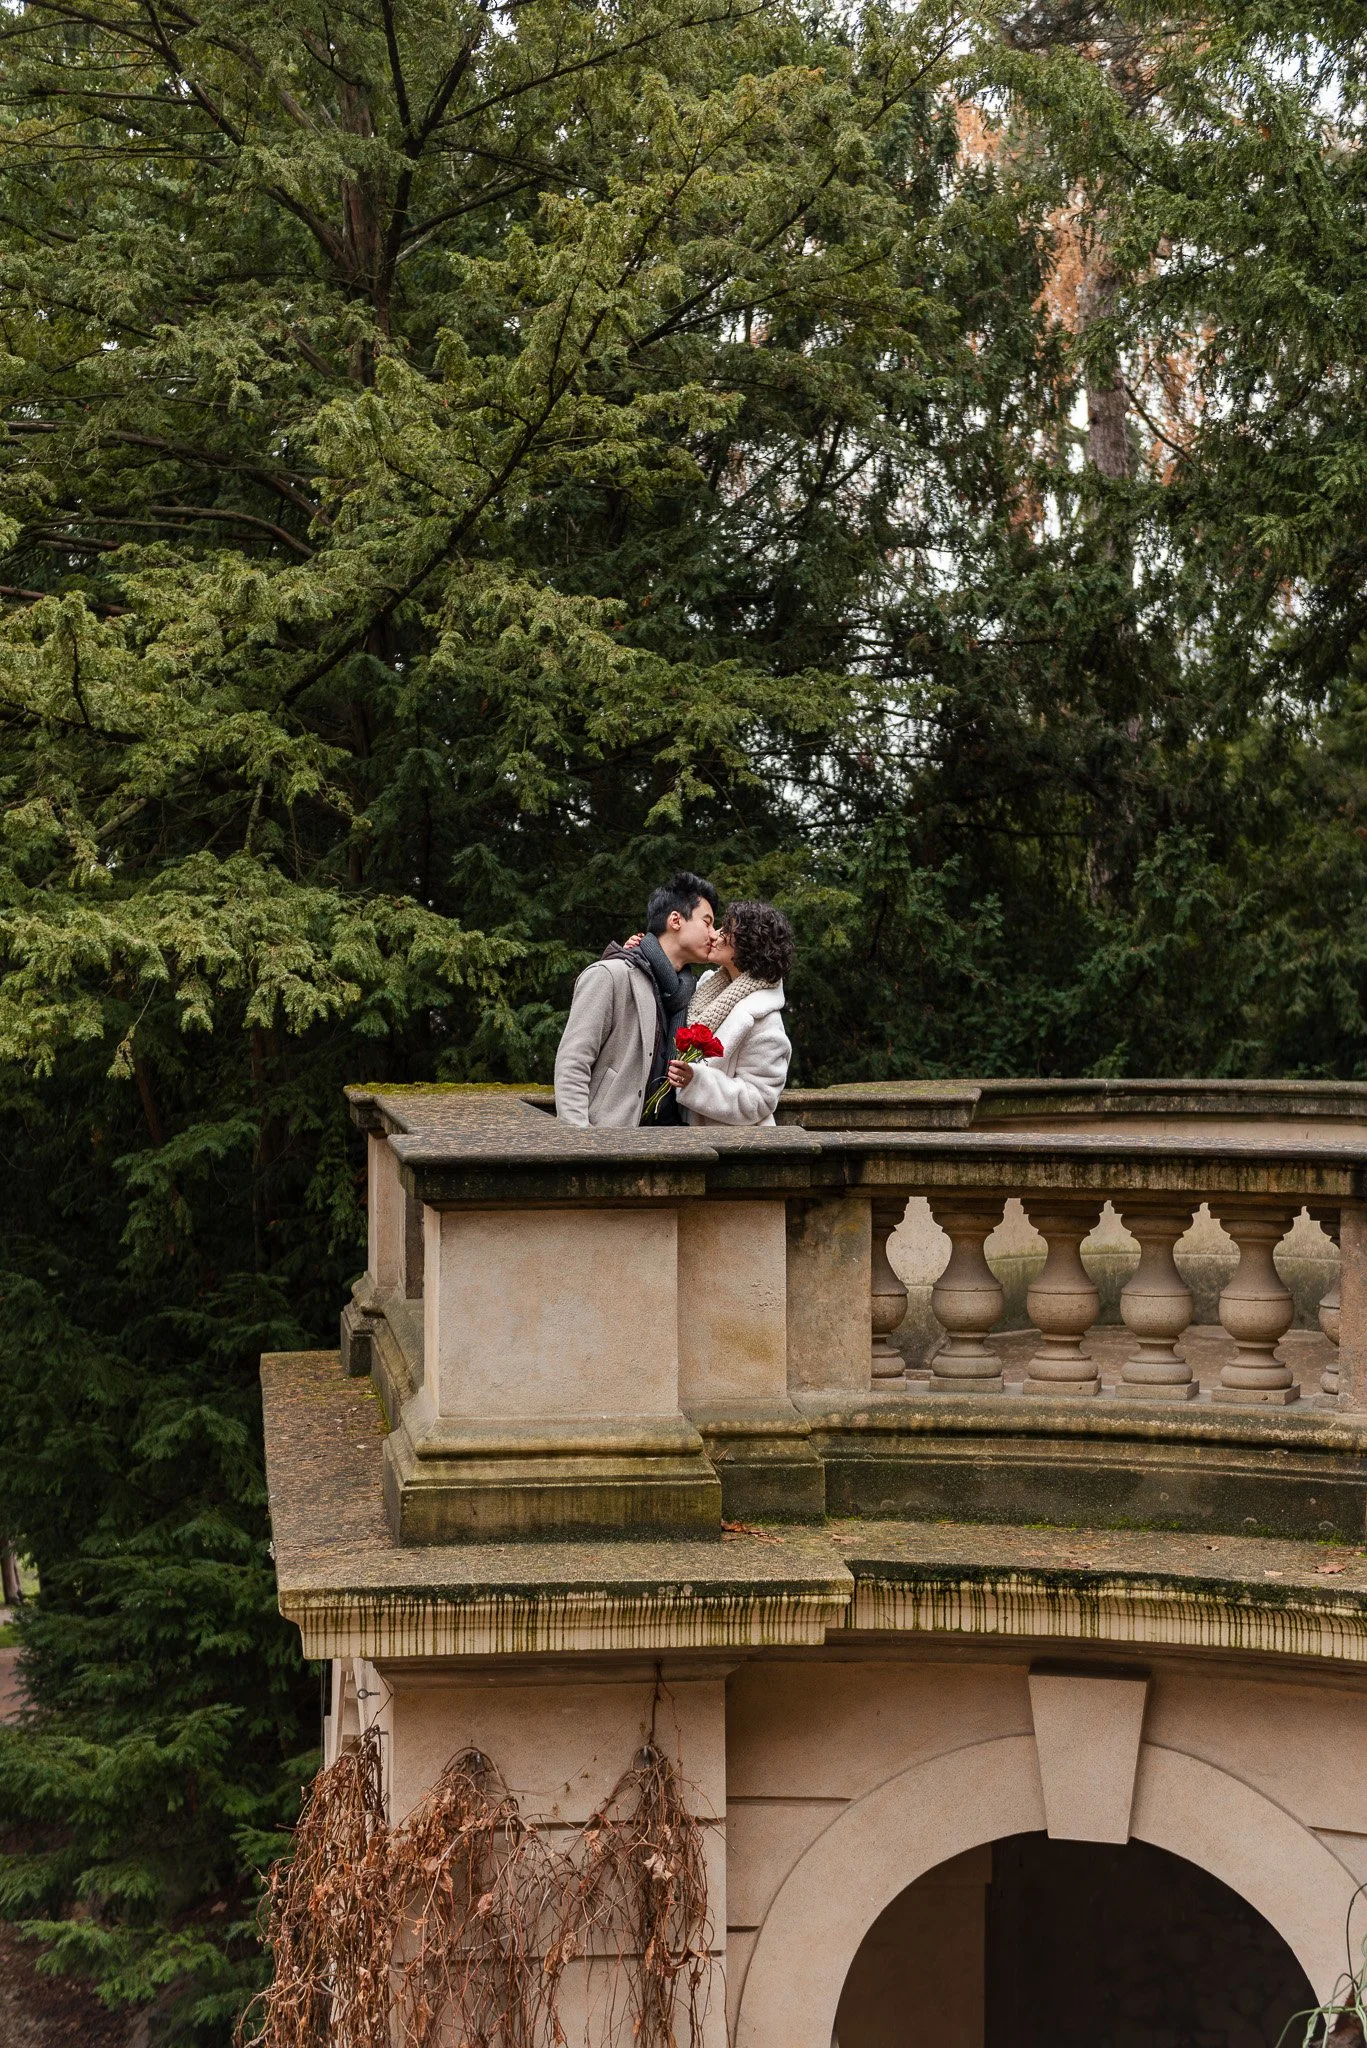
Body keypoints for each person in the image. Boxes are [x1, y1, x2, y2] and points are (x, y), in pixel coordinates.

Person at [554, 873, 718, 1126]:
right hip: (613, 1143)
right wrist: (580, 1144)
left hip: (672, 1141)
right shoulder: (610, 975)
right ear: (675, 920)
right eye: (706, 923)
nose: (714, 934)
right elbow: (573, 1064)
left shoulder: (687, 992)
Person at [668, 900, 794, 1126]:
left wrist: (696, 1081)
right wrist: (640, 953)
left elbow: (760, 1099)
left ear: (749, 945)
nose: (715, 935)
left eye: (727, 931)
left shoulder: (766, 1020)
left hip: (733, 1150)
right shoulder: (707, 988)